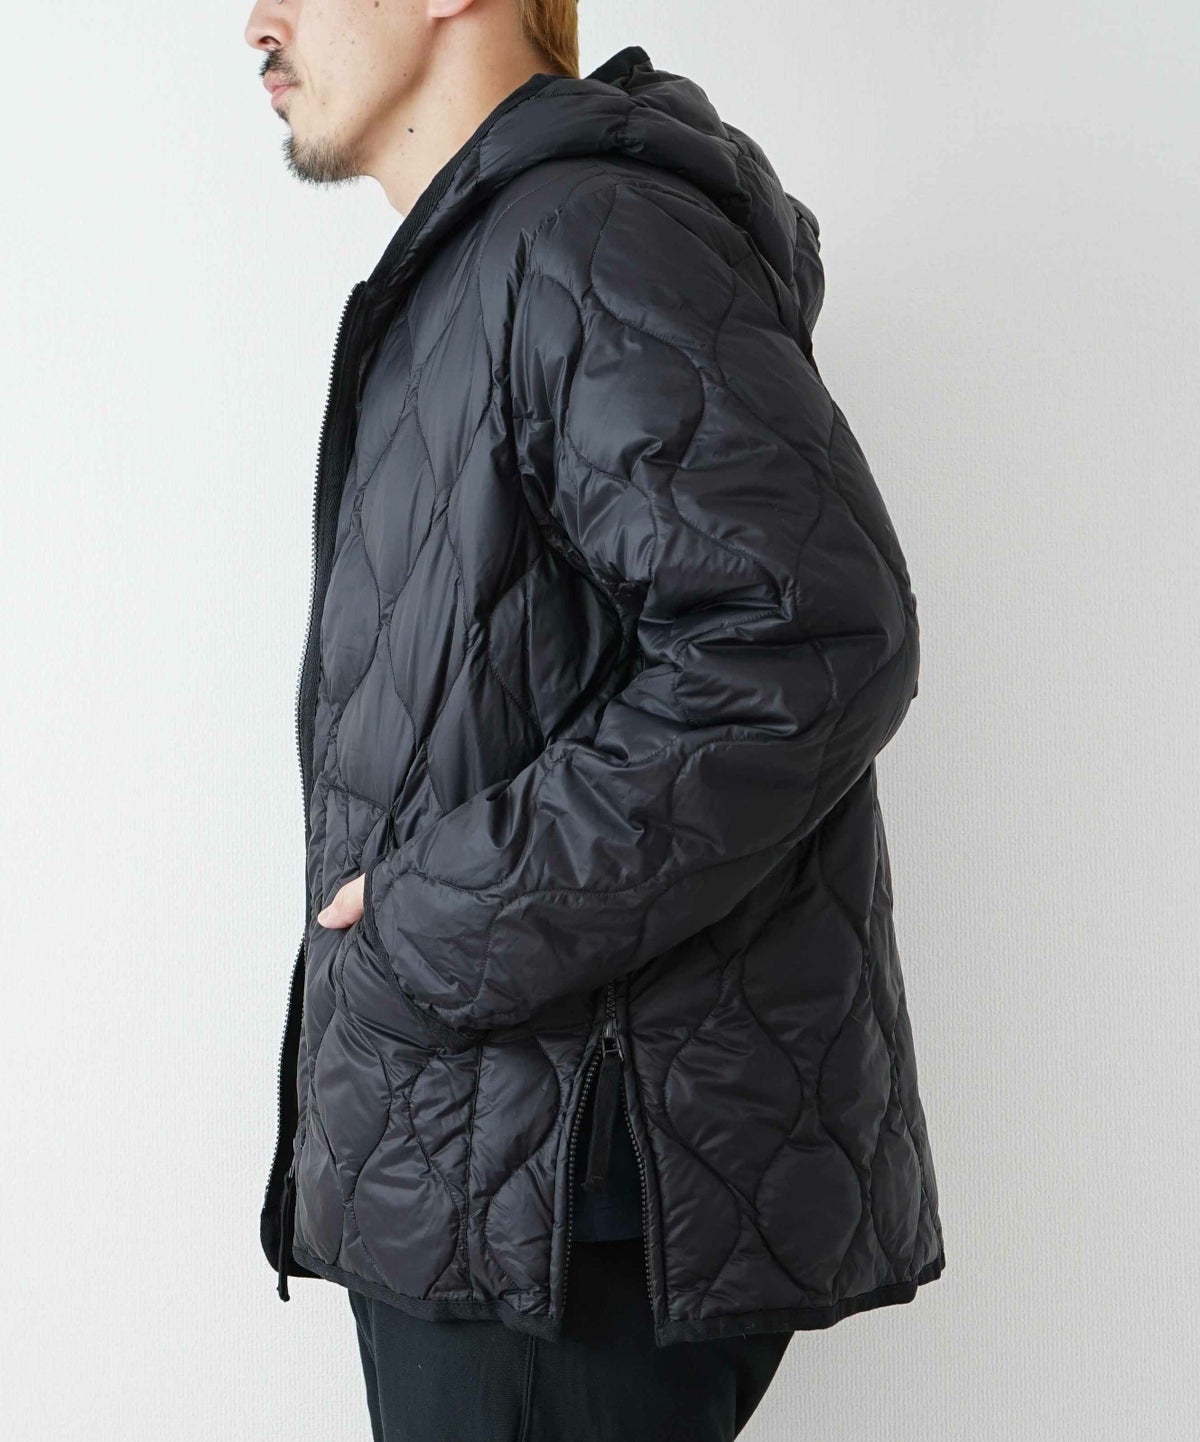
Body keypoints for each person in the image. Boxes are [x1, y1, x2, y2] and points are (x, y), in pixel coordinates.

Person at [245, 4, 946, 1438]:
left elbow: (805, 638)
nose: (256, 21)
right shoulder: (484, 261)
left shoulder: (588, 237)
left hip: (558, 1196)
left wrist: (424, 924)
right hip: (493, 1166)